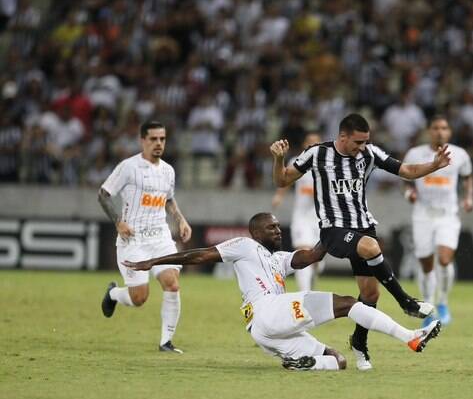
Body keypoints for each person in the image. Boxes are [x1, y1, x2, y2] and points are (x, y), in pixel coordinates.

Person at [123, 212, 442, 371]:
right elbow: (199, 255)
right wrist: (154, 261)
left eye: (278, 227)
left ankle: (303, 364)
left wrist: (335, 235)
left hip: (266, 333)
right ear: (256, 231)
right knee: (345, 302)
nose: (278, 230)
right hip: (268, 310)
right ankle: (410, 337)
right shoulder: (244, 246)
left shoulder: (277, 259)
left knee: (337, 361)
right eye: (272, 227)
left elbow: (311, 256)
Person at [270, 113, 450, 370]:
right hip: (334, 229)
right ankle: (406, 302)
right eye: (358, 142)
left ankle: (359, 341)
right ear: (342, 137)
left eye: (366, 141)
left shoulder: (370, 154)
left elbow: (406, 171)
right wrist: (278, 159)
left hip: (363, 225)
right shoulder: (317, 154)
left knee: (370, 293)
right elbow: (282, 180)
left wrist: (433, 165)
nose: (362, 147)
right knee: (372, 248)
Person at [98, 120, 192, 353]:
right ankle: (113, 294)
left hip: (160, 237)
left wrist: (181, 219)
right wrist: (119, 222)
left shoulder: (168, 170)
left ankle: (166, 342)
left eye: (162, 139)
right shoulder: (128, 167)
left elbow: (168, 199)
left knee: (172, 284)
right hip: (134, 239)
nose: (159, 143)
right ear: (143, 141)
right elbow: (103, 194)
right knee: (139, 298)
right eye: (153, 139)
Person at [403, 116, 473, 327]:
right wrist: (409, 194)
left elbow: (468, 176)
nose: (440, 132)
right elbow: (406, 180)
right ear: (429, 131)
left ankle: (442, 302)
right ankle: (428, 307)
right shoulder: (415, 154)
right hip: (422, 214)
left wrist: (469, 197)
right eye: (436, 128)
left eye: (444, 128)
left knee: (444, 259)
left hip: (447, 214)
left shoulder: (460, 154)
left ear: (449, 132)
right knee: (425, 263)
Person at [272, 132, 324, 291]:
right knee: (303, 252)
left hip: (321, 218)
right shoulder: (296, 161)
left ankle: (311, 282)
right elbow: (286, 179)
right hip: (302, 217)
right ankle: (305, 295)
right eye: (310, 142)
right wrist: (279, 195)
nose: (312, 145)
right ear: (304, 144)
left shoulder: (325, 164)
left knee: (317, 262)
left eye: (316, 142)